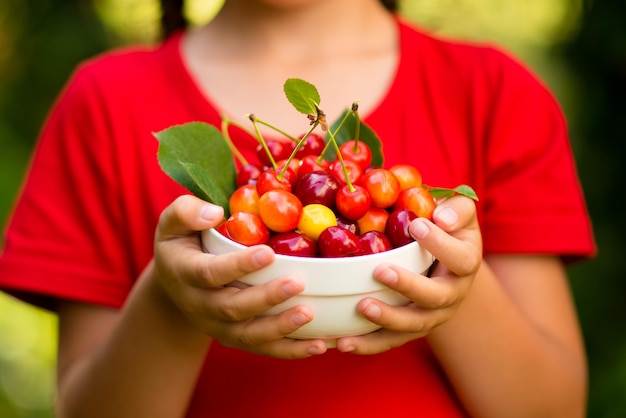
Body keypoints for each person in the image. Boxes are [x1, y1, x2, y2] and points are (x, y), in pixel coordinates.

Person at [0, 0, 596, 417]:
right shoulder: (103, 105)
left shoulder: (494, 93)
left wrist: (451, 282)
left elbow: (552, 407)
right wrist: (168, 300)